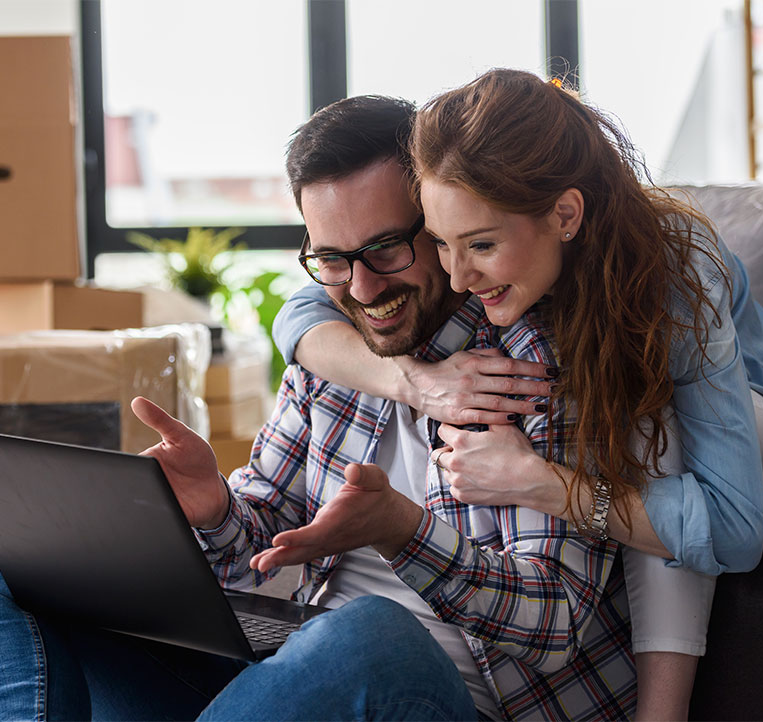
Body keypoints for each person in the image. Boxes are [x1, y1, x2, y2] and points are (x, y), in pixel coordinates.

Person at [0, 95, 636, 721]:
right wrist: (214, 506)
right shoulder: (332, 356)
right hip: (299, 676)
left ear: (441, 225)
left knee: (369, 635)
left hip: (464, 696)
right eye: (333, 260)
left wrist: (403, 532)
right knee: (26, 576)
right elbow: (257, 542)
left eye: (386, 250)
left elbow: (555, 625)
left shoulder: (531, 365)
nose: (362, 288)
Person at [269, 70, 763, 721]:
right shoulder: (483, 205)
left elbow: (731, 530)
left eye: (480, 246)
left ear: (566, 216)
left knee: (645, 417)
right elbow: (298, 315)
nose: (457, 278)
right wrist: (419, 382)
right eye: (439, 243)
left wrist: (543, 482)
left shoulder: (673, 275)